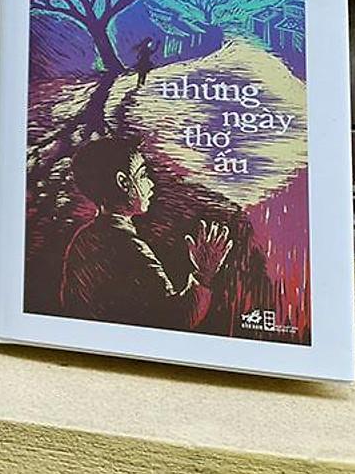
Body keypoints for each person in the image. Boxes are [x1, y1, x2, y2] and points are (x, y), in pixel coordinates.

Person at [59, 135, 232, 330]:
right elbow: (175, 320)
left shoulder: (83, 240)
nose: (151, 184)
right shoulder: (129, 249)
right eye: (142, 175)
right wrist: (203, 275)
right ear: (123, 182)